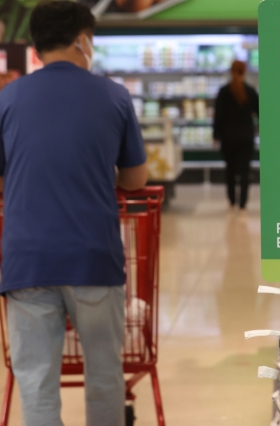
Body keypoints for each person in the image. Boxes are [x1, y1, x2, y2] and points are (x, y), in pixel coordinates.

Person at [0, 2, 148, 425]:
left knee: (35, 379)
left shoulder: (7, 98)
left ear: (35, 43)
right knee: (104, 374)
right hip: (93, 257)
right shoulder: (114, 95)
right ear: (83, 40)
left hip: (27, 262)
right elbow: (135, 179)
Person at [214, 60, 259, 212]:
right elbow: (260, 114)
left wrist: (216, 135)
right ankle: (243, 203)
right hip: (246, 137)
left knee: (230, 170)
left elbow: (218, 116)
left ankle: (232, 200)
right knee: (245, 171)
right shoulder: (251, 91)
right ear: (244, 71)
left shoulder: (223, 91)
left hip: (228, 138)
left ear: (231, 71)